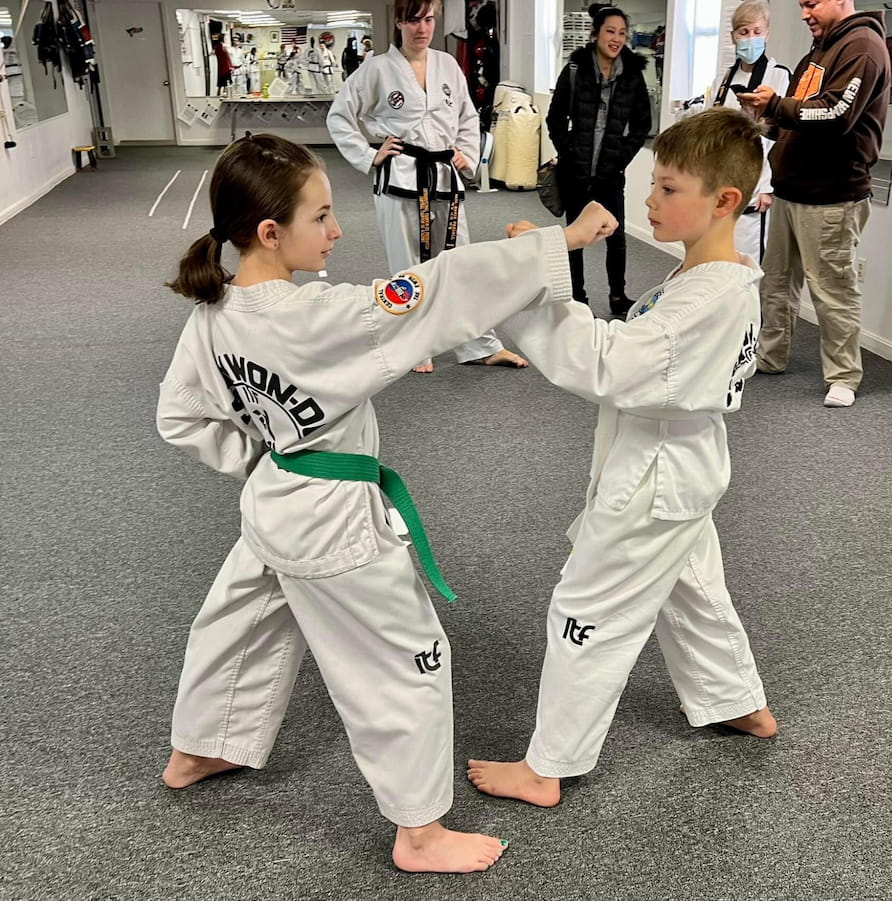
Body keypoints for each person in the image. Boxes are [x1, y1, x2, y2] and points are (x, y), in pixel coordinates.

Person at [156, 132, 616, 872]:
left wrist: (267, 456)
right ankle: (421, 832)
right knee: (409, 662)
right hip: (336, 523)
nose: (338, 231)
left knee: (239, 623)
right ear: (271, 232)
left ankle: (198, 750)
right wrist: (558, 242)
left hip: (275, 503)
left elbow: (179, 417)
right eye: (322, 215)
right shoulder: (318, 317)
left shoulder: (214, 311)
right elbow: (439, 288)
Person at [466, 107, 777, 809]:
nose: (651, 199)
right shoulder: (713, 278)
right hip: (682, 469)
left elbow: (606, 363)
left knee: (586, 610)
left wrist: (533, 279)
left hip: (654, 479)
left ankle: (548, 765)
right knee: (692, 588)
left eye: (669, 188)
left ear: (724, 202)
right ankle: (737, 700)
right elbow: (635, 351)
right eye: (654, 184)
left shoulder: (708, 296)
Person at [327, 0, 527, 373]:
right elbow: (339, 116)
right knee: (408, 267)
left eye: (429, 19)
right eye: (414, 20)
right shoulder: (377, 69)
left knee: (459, 263)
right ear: (400, 22)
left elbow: (467, 116)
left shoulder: (447, 64)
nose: (423, 28)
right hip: (401, 176)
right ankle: (415, 346)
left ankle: (477, 344)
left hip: (444, 174)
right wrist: (370, 155)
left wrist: (467, 154)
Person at [737, 0, 890, 408]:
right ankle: (770, 356)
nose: (804, 13)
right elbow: (798, 114)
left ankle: (843, 375)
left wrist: (774, 105)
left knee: (833, 289)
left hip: (832, 195)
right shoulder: (819, 50)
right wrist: (764, 115)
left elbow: (838, 114)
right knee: (777, 283)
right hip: (791, 189)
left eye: (811, 3)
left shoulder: (862, 47)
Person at [547, 3, 652, 320]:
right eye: (610, 31)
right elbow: (555, 119)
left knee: (616, 238)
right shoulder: (576, 71)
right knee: (575, 238)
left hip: (610, 173)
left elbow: (642, 125)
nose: (616, 38)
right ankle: (577, 295)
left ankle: (618, 296)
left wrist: (621, 156)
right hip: (576, 172)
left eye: (622, 33)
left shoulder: (633, 77)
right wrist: (568, 152)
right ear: (595, 34)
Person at [678, 0, 789, 262]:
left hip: (754, 187)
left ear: (767, 34)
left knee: (745, 262)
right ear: (733, 36)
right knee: (715, 257)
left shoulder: (778, 76)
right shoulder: (723, 80)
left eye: (757, 31)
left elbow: (777, 137)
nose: (750, 38)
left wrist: (765, 185)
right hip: (719, 183)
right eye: (743, 32)